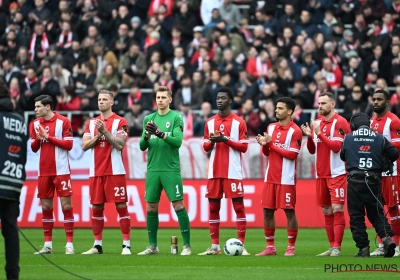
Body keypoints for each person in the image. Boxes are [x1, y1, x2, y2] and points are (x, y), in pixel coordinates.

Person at [138, 86, 191, 256]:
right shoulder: (149, 118)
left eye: (163, 97)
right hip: (153, 169)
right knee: (151, 207)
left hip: (170, 169)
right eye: (158, 97)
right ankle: (152, 246)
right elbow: (141, 146)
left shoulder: (176, 118)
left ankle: (187, 246)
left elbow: (177, 142)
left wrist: (160, 133)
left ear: (170, 99)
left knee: (178, 205)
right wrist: (147, 134)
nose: (160, 100)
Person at [198, 87, 250, 256]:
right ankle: (214, 247)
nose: (219, 100)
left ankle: (241, 246)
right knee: (213, 208)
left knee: (239, 208)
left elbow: (244, 147)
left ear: (230, 101)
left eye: (223, 98)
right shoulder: (210, 122)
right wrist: (213, 141)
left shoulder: (239, 123)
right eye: (218, 98)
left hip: (233, 172)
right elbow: (205, 146)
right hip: (214, 172)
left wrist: (225, 140)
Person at [340, 112, 398, 257]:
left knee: (356, 216)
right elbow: (394, 154)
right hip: (373, 180)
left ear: (353, 125)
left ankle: (363, 248)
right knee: (377, 213)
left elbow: (342, 156)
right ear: (369, 124)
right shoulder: (379, 137)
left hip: (355, 180)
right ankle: (387, 239)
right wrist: (382, 159)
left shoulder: (348, 137)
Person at [81, 89, 131, 255]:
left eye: (104, 99)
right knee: (96, 207)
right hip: (96, 172)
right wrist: (98, 135)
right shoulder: (91, 123)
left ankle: (126, 245)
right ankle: (97, 245)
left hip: (115, 171)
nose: (101, 102)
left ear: (112, 102)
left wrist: (105, 131)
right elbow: (84, 146)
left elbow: (120, 144)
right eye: (99, 99)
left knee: (121, 206)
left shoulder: (120, 121)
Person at [301, 92, 350, 257]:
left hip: (336, 173)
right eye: (319, 103)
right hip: (320, 174)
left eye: (323, 103)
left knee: (337, 208)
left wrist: (319, 133)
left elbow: (337, 147)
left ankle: (337, 246)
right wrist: (309, 137)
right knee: (327, 210)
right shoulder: (317, 122)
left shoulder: (340, 122)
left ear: (333, 104)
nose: (320, 106)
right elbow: (312, 150)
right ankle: (331, 246)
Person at [255, 97, 302, 257]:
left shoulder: (295, 131)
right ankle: (270, 247)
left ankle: (291, 247)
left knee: (289, 212)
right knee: (267, 212)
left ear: (289, 111)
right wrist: (264, 144)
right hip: (270, 177)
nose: (276, 110)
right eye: (276, 107)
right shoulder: (271, 127)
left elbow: (292, 155)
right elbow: (268, 153)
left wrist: (271, 144)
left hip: (286, 179)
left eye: (280, 108)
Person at [29, 95, 75, 255]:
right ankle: (47, 245)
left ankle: (69, 244)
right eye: (35, 107)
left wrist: (49, 138)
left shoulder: (63, 121)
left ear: (47, 107)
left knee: (66, 206)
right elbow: (34, 148)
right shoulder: (34, 124)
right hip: (44, 172)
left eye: (38, 106)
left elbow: (69, 144)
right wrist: (39, 139)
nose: (35, 110)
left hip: (61, 170)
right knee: (47, 207)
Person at [0, 80, 28, 280]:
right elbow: (23, 155)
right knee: (10, 230)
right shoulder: (20, 121)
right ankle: (13, 275)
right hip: (14, 181)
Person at [370, 89, 400, 257]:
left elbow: (398, 146)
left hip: (391, 171)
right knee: (377, 209)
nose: (375, 102)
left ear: (387, 102)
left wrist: (378, 142)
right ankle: (383, 244)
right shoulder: (372, 121)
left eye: (379, 99)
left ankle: (394, 246)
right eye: (374, 99)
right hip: (376, 172)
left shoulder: (393, 121)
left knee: (394, 209)